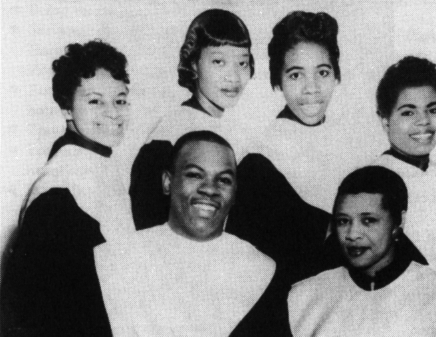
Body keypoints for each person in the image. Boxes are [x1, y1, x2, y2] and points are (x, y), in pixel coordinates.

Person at [94, 131, 292, 336]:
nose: (209, 189)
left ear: (234, 193)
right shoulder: (116, 258)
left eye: (223, 180)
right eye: (195, 175)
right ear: (167, 183)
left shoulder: (261, 269)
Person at [0, 40, 134, 336]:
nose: (113, 113)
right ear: (66, 108)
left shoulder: (94, 164)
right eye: (95, 101)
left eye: (120, 100)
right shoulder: (61, 190)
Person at [227, 11, 352, 285]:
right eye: (296, 75)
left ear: (336, 76)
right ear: (278, 81)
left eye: (322, 72)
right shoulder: (258, 163)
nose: (312, 88)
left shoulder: (349, 148)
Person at [288, 166, 436, 337]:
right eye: (343, 221)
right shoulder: (303, 297)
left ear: (399, 221)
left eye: (368, 220)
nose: (352, 234)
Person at [129, 8, 254, 230]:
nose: (233, 76)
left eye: (242, 63)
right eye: (219, 62)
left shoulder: (234, 132)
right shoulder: (171, 133)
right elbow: (147, 221)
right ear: (194, 64)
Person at [373, 56, 436, 282]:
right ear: (385, 120)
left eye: (433, 109)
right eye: (408, 113)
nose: (424, 121)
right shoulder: (370, 184)